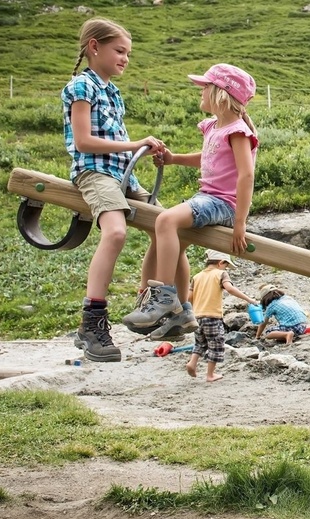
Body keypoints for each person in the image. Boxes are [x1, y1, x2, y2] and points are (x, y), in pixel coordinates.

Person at [62, 17, 188, 362]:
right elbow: (85, 142)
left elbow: (115, 141)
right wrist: (135, 144)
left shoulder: (112, 91)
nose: (125, 59)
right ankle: (92, 323)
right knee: (115, 233)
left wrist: (146, 152)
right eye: (120, 51)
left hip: (124, 177)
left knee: (168, 224)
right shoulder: (81, 88)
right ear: (94, 47)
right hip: (95, 173)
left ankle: (169, 307)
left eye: (128, 54)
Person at [122, 63, 259, 341]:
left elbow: (246, 174)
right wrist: (174, 159)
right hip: (207, 198)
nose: (200, 93)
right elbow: (207, 156)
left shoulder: (237, 130)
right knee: (175, 242)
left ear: (221, 94)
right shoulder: (214, 127)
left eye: (204, 88)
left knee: (166, 220)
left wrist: (240, 223)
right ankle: (183, 312)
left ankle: (163, 296)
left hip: (223, 203)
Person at [185, 249, 258, 382]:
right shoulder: (221, 274)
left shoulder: (197, 276)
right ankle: (210, 375)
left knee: (200, 342)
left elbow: (189, 297)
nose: (226, 268)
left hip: (197, 316)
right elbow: (229, 288)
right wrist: (249, 299)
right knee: (216, 344)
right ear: (221, 262)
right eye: (226, 265)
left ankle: (192, 362)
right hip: (212, 316)